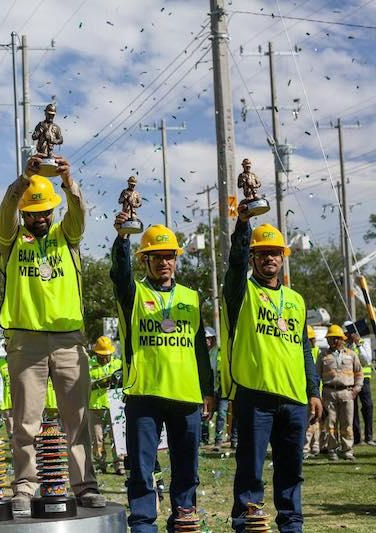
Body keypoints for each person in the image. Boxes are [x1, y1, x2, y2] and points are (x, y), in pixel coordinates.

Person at [0, 155, 105, 512]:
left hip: (68, 340)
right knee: (26, 422)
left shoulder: (67, 237)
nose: (40, 219)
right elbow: (3, 219)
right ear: (24, 214)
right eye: (33, 213)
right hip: (25, 342)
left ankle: (85, 485)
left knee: (77, 418)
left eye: (45, 213)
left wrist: (68, 180)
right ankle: (25, 486)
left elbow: (78, 213)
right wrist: (23, 180)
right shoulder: (12, 242)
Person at [219, 214, 322, 533]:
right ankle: (246, 524)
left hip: (294, 399)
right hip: (255, 396)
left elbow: (304, 347)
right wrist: (243, 224)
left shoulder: (296, 300)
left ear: (282, 258)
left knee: (292, 470)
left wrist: (314, 390)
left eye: (274, 253)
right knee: (250, 468)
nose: (269, 258)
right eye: (262, 253)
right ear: (253, 257)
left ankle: (292, 524)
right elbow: (235, 265)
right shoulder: (241, 292)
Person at [110, 218, 214, 532]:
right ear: (145, 260)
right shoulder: (133, 294)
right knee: (142, 468)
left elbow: (199, 350)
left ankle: (183, 516)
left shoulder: (191, 297)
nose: (164, 262)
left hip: (186, 395)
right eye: (156, 256)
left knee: (186, 468)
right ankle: (143, 522)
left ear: (176, 259)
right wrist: (123, 238)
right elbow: (120, 273)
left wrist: (207, 390)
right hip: (145, 393)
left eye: (169, 256)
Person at [318, 325, 363, 461]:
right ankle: (332, 450)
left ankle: (347, 450)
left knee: (347, 423)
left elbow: (359, 373)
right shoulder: (323, 356)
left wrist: (357, 388)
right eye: (329, 339)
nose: (330, 341)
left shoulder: (351, 354)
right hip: (328, 393)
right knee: (330, 424)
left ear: (341, 339)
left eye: (333, 338)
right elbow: (316, 375)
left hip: (347, 392)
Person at [88, 336, 123, 475]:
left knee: (116, 438)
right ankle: (100, 463)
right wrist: (97, 383)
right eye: (101, 356)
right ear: (96, 354)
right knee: (97, 439)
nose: (104, 358)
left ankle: (119, 464)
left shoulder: (118, 364)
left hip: (113, 407)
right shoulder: (88, 365)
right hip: (94, 407)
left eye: (107, 356)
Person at [344, 321, 374, 446]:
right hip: (350, 380)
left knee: (368, 406)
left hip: (364, 379)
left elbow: (367, 360)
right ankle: (357, 438)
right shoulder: (345, 346)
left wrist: (358, 344)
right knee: (353, 409)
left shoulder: (364, 342)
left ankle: (369, 437)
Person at [304, 325, 322, 458]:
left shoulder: (317, 352)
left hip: (317, 392)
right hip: (305, 392)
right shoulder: (302, 352)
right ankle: (306, 447)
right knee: (308, 420)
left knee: (316, 420)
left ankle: (316, 445)